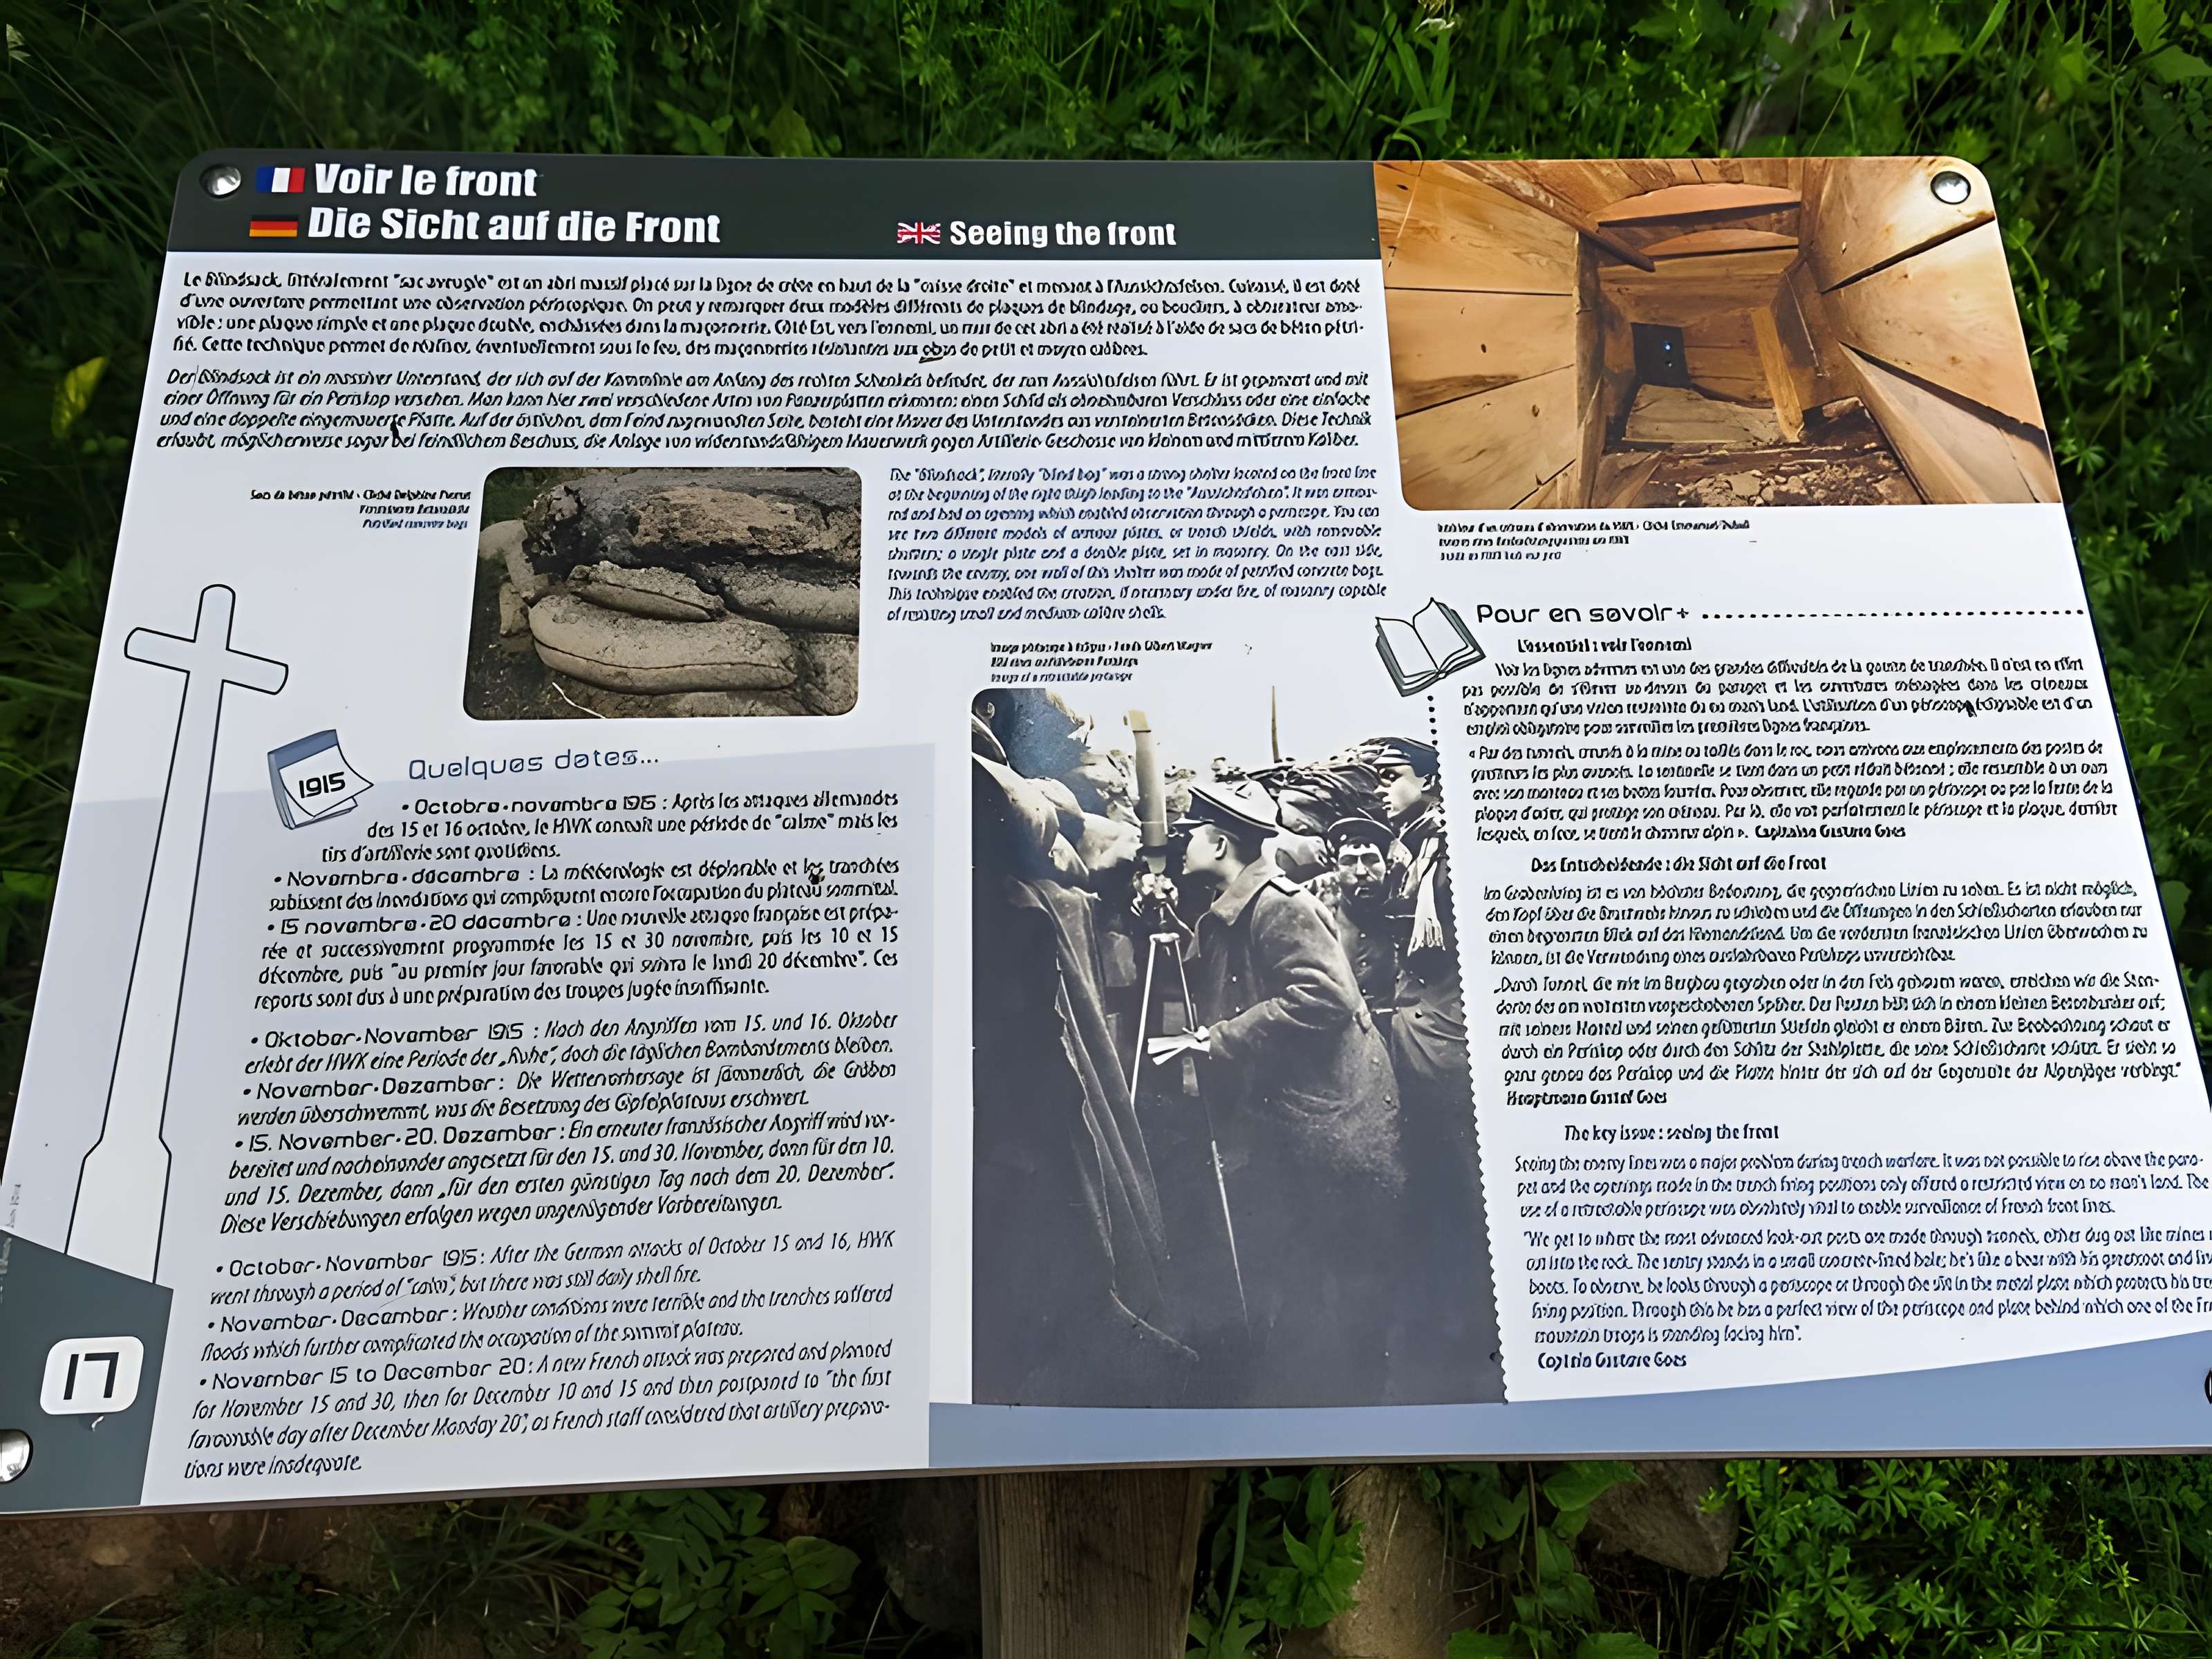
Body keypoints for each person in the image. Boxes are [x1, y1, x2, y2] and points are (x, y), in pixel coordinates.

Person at [1170, 778, 1405, 1404]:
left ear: (1220, 843)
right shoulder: (1237, 907)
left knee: (1348, 1270)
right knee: (1310, 1264)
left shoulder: (1277, 906)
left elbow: (1325, 995)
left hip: (1336, 1120)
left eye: (1192, 835)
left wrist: (1222, 1037)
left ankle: (1361, 1398)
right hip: (1301, 1114)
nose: (1182, 842)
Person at [1367, 735, 1499, 1400]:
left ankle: (1470, 1333)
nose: (1382, 787)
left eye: (1393, 776)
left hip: (1448, 1041)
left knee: (1460, 1186)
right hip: (1422, 1034)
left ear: (1429, 781)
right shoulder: (1414, 849)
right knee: (1436, 1184)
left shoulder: (1448, 851)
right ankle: (1445, 1322)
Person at [1316, 815, 1401, 1029]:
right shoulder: (1319, 912)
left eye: (1371, 860)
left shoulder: (1409, 909)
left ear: (1388, 865)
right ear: (1335, 869)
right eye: (1349, 862)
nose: (1362, 872)